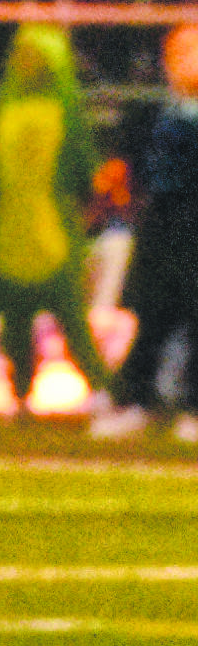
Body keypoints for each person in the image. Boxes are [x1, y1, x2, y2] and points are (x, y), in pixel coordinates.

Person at [0, 23, 110, 413]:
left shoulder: (65, 114)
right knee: (16, 324)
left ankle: (103, 392)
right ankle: (20, 395)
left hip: (55, 231)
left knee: (71, 319)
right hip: (11, 233)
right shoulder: (7, 110)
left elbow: (86, 173)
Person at [92, 22, 198, 440]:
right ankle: (137, 400)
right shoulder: (156, 111)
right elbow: (131, 162)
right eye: (176, 55)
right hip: (162, 228)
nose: (181, 64)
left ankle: (190, 405)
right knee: (154, 318)